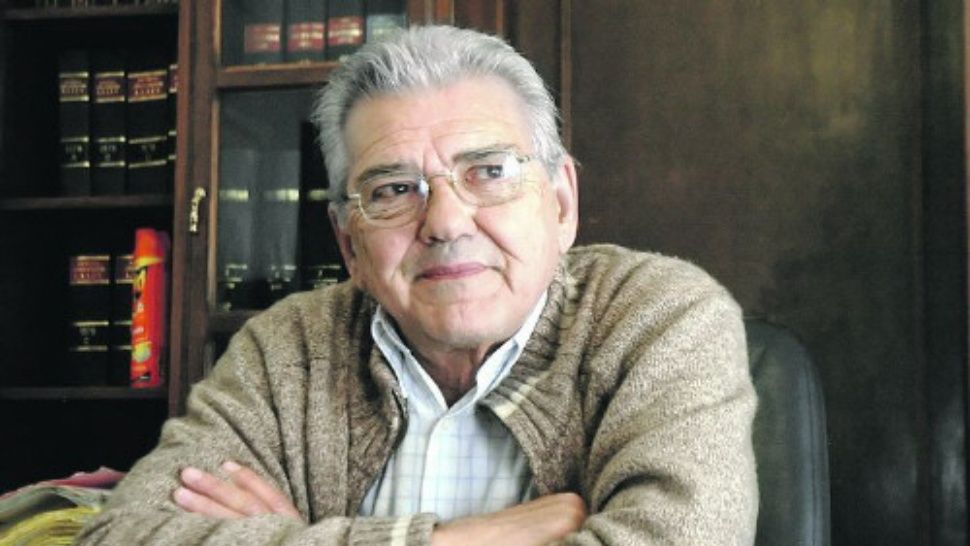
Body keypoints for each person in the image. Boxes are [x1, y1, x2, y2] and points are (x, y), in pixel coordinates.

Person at [77, 25, 757, 545]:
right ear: (349, 243)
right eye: (395, 189)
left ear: (560, 203)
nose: (446, 222)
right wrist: (452, 540)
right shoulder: (286, 348)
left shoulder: (658, 319)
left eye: (489, 172)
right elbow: (123, 537)